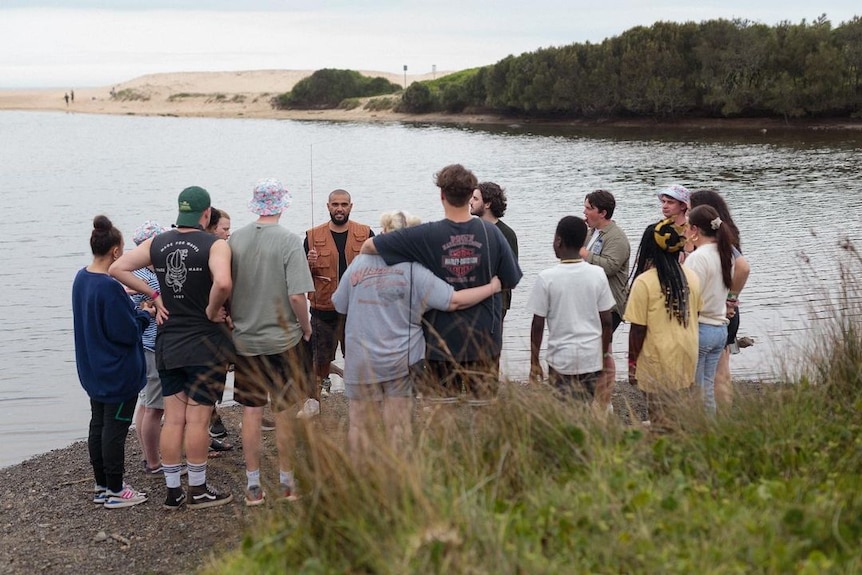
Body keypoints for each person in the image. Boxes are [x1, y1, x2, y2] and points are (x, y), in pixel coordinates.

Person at [333, 210, 502, 463]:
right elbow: (454, 301)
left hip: (360, 359)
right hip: (399, 361)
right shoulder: (415, 270)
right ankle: (398, 476)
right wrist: (492, 287)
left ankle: (361, 480)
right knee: (398, 425)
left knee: (358, 424)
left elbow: (339, 304)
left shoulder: (358, 264)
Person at [110, 185, 235, 510]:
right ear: (206, 214)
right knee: (197, 419)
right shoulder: (216, 245)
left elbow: (117, 268)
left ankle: (172, 491)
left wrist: (154, 296)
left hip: (168, 342)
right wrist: (211, 311)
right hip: (204, 343)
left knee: (174, 418)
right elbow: (223, 283)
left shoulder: (159, 242)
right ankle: (197, 489)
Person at [361, 164, 522, 405]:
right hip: (484, 338)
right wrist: (491, 285)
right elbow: (510, 280)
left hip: (440, 339)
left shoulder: (426, 234)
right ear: (470, 196)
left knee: (441, 412)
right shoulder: (493, 234)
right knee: (484, 410)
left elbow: (369, 247)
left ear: (442, 195)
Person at [229, 178, 314, 505]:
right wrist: (305, 329)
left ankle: (253, 486)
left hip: (246, 341)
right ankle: (287, 482)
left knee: (251, 412)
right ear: (282, 205)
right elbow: (297, 296)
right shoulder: (291, 241)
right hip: (283, 341)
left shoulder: (235, 239)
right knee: (284, 413)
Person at [73, 215, 149, 508]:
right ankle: (116, 490)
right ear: (116, 252)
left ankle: (102, 485)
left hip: (93, 369)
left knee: (98, 425)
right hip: (118, 373)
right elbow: (127, 333)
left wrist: (127, 299)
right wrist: (144, 313)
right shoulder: (110, 287)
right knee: (115, 430)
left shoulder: (82, 277)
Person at [625, 219, 703, 431]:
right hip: (687, 352)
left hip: (657, 356)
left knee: (658, 414)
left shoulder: (645, 282)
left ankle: (664, 451)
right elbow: (695, 314)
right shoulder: (691, 277)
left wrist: (632, 364)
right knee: (678, 410)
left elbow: (638, 329)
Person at [529, 216, 615, 403]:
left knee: (564, 409)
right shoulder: (597, 274)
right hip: (591, 357)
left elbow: (537, 324)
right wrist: (603, 355)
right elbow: (607, 321)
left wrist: (534, 360)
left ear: (558, 241)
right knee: (587, 405)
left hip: (561, 358)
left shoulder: (547, 278)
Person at [305, 189, 374, 401]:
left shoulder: (366, 233)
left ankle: (360, 401)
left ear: (351, 206)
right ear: (328, 206)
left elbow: (379, 270)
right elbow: (300, 276)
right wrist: (308, 263)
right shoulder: (312, 236)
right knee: (319, 360)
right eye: (335, 204)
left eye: (344, 204)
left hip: (358, 311)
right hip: (323, 311)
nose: (339, 209)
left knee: (359, 359)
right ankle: (313, 402)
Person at [689, 190, 750, 409]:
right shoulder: (725, 241)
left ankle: (715, 422)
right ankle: (723, 422)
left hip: (711, 315)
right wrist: (731, 299)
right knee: (720, 373)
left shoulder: (705, 252)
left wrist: (730, 301)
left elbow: (743, 267)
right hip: (722, 315)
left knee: (709, 378)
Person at [580, 189, 631, 414]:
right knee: (603, 349)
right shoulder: (592, 232)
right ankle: (601, 400)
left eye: (589, 208)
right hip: (594, 303)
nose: (585, 211)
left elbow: (610, 266)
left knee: (601, 352)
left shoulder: (616, 237)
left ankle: (604, 401)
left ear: (602, 212)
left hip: (610, 305)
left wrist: (583, 254)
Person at [684, 204, 736, 415]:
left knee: (697, 389)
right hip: (719, 328)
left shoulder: (698, 257)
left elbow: (690, 297)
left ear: (695, 229)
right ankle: (711, 429)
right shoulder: (724, 254)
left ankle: (700, 432)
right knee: (707, 387)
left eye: (688, 226)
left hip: (702, 328)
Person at [129, 220, 169, 475]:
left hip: (142, 345)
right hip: (153, 346)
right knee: (154, 407)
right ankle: (154, 462)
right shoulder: (149, 278)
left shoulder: (135, 273)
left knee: (145, 403)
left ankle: (148, 455)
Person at [470, 181, 518, 320]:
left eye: (475, 198)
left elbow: (511, 273)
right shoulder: (470, 230)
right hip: (470, 300)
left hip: (496, 301)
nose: (470, 202)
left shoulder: (507, 234)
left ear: (487, 204)